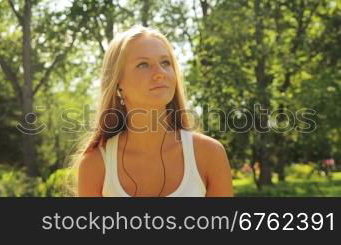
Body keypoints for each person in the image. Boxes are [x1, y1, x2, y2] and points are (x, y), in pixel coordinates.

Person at [71, 26, 233, 197]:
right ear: (118, 82)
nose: (160, 73)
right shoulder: (95, 165)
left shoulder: (209, 154)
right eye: (143, 65)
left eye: (165, 63)